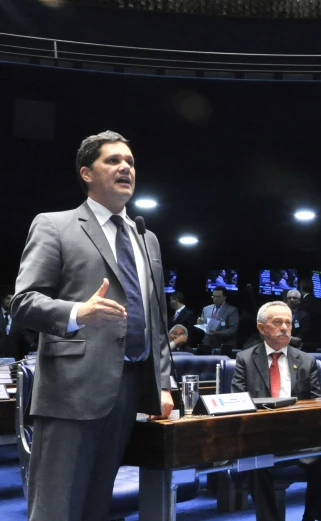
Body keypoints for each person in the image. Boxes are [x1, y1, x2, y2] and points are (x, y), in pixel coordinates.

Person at [10, 130, 173, 520]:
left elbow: (158, 319)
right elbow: (23, 303)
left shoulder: (146, 238)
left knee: (99, 505)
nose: (125, 168)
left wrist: (164, 384)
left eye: (130, 162)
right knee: (56, 508)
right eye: (113, 161)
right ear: (86, 172)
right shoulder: (55, 225)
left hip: (132, 387)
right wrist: (76, 313)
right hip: (72, 389)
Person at [232, 301, 321, 521]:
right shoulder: (245, 359)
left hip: (298, 434)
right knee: (256, 464)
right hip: (260, 435)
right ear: (262, 328)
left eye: (288, 322)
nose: (284, 327)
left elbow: (315, 404)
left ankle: (312, 516)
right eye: (277, 322)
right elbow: (239, 402)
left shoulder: (307, 361)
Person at [1, 291, 38, 359]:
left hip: (14, 355)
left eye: (13, 299)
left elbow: (25, 334)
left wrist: (34, 346)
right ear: (3, 300)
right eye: (8, 298)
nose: (10, 301)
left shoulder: (19, 315)